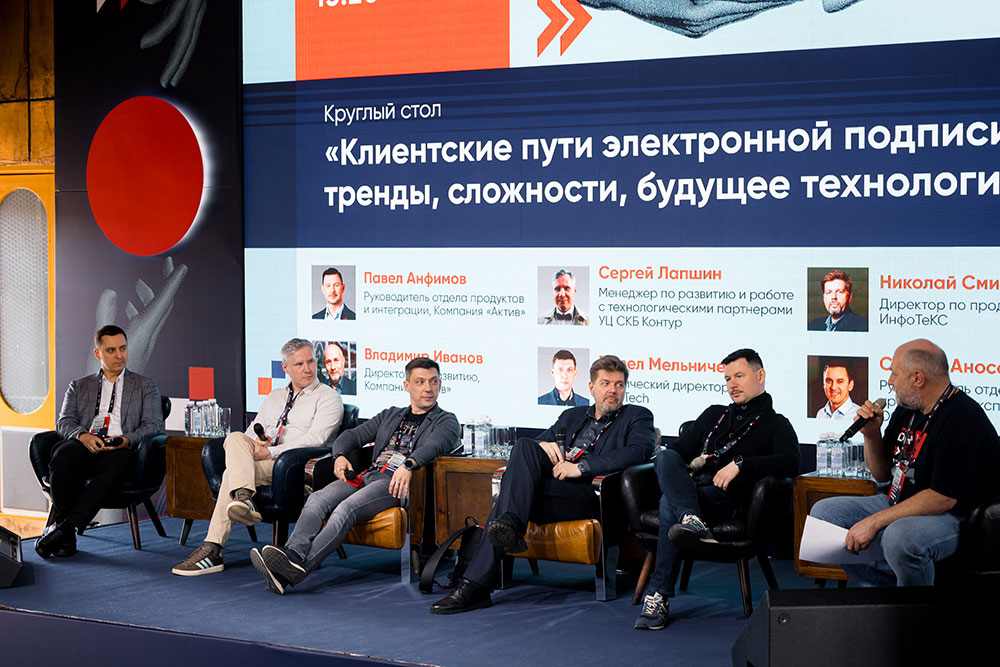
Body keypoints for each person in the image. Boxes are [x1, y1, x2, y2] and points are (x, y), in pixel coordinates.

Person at [430, 355, 654, 614]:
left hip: (592, 495)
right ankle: (499, 544)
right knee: (526, 446)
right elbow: (535, 447)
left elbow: (638, 452)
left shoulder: (637, 416)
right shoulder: (572, 415)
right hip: (553, 492)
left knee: (508, 501)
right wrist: (543, 445)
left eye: (619, 385)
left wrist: (581, 467)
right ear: (592, 388)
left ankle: (476, 582)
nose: (613, 390)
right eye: (606, 384)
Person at [249, 357, 458, 594]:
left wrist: (409, 464)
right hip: (368, 475)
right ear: (407, 385)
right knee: (317, 499)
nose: (428, 388)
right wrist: (339, 455)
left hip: (395, 482)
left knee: (345, 509)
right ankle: (293, 555)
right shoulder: (391, 415)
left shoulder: (446, 420)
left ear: (440, 384)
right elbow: (351, 436)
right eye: (420, 382)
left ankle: (298, 569)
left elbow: (434, 445)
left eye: (433, 381)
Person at [810, 339, 1000, 587]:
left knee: (899, 537)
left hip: (955, 516)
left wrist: (874, 522)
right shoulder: (908, 409)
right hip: (901, 500)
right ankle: (889, 590)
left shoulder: (962, 418)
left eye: (894, 373)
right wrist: (871, 434)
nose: (890, 381)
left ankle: (913, 607)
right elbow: (881, 474)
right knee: (823, 516)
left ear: (917, 378)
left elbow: (943, 498)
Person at [634, 349, 800, 630]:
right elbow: (678, 452)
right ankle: (691, 519)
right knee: (665, 457)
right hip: (695, 491)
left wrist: (742, 464)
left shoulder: (776, 424)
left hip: (730, 500)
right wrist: (684, 469)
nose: (732, 384)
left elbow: (791, 462)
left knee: (667, 504)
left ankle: (658, 594)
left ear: (760, 376)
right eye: (727, 379)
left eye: (739, 376)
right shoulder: (714, 414)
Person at [172, 338, 342, 575]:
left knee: (231, 475)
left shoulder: (328, 397)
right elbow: (252, 431)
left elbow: (316, 439)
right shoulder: (274, 396)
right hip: (263, 459)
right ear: (285, 368)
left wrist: (270, 451)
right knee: (235, 438)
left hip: (293, 467)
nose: (308, 369)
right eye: (300, 364)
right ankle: (243, 499)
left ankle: (213, 548)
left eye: (311, 362)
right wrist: (257, 443)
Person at [35, 325, 164, 558]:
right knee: (63, 455)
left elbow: (153, 425)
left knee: (120, 461)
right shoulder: (79, 386)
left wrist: (126, 439)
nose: (119, 355)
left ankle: (64, 530)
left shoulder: (145, 385)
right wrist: (83, 436)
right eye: (111, 350)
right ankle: (66, 531)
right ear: (98, 353)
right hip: (85, 444)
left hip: (119, 448)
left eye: (123, 348)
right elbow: (64, 422)